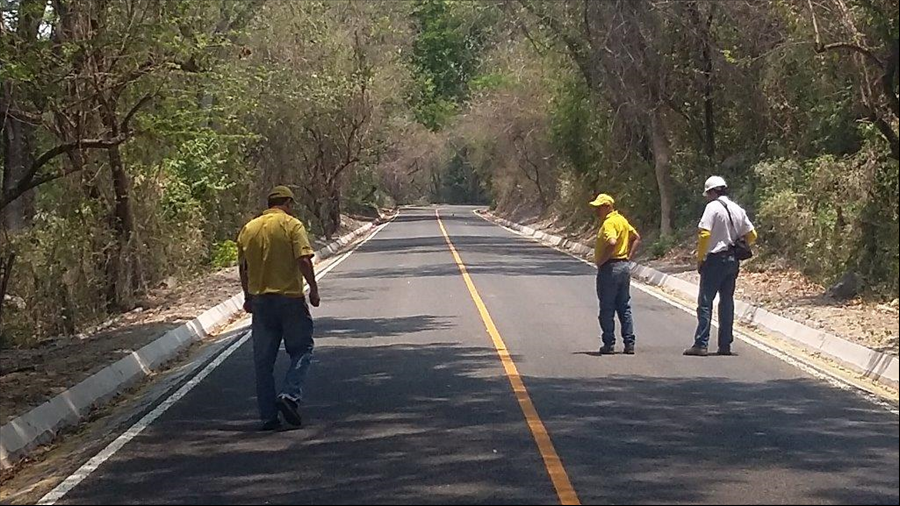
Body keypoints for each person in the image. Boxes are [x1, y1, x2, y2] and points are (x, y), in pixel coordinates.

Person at [237, 186, 320, 431]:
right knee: (302, 348)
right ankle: (290, 395)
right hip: (290, 300)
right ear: (287, 202)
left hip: (261, 303)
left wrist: (247, 297)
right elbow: (303, 260)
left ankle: (268, 418)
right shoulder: (292, 225)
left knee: (263, 362)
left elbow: (244, 268)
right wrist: (313, 289)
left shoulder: (249, 229)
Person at [684, 176, 757, 357]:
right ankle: (725, 345)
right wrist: (736, 243)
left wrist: (701, 258)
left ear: (712, 192)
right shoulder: (737, 209)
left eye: (708, 194)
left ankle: (701, 343)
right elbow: (752, 234)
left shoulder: (712, 208)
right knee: (727, 302)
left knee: (705, 302)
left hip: (715, 259)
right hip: (733, 260)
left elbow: (704, 234)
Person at [590, 193, 641, 355]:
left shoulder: (609, 223)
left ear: (607, 207)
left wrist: (602, 260)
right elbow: (636, 237)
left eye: (599, 207)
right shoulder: (622, 220)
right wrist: (627, 257)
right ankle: (629, 343)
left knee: (607, 307)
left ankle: (609, 343)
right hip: (623, 267)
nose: (597, 211)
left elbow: (612, 242)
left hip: (610, 269)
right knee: (624, 306)